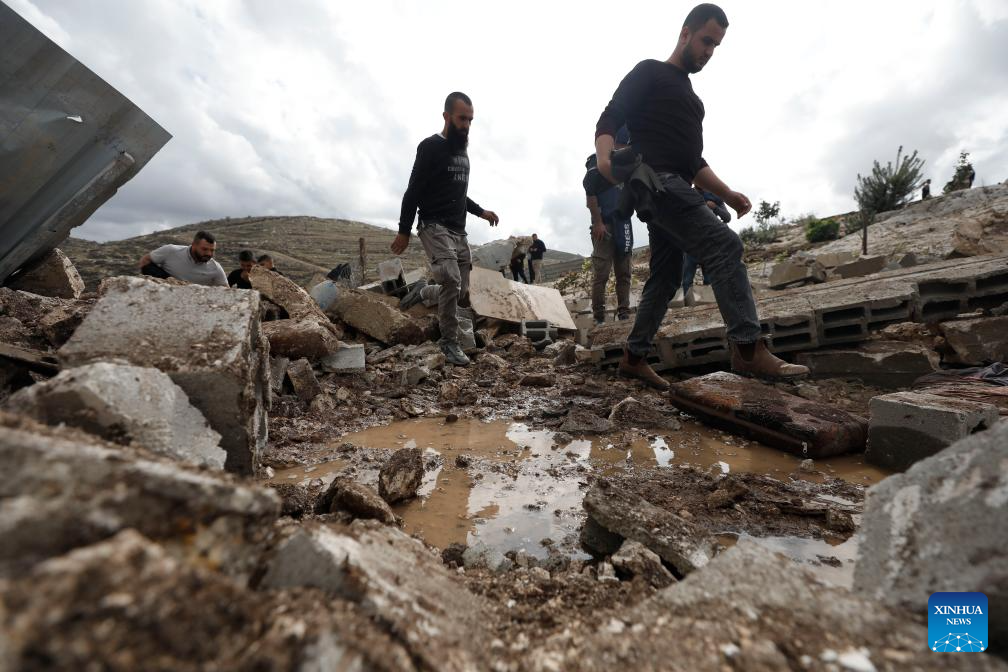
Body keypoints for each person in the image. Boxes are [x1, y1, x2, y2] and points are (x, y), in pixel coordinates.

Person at [594, 3, 808, 389]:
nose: (709, 51)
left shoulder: (693, 101)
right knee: (724, 246)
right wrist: (607, 161)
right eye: (706, 40)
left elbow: (693, 163)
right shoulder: (650, 72)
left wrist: (728, 193)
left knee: (665, 275)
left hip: (677, 181)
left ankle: (633, 357)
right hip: (655, 182)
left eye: (716, 45)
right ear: (686, 33)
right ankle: (747, 350)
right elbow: (610, 117)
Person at [391, 91, 499, 366]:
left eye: (470, 120)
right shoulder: (430, 147)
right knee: (451, 280)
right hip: (433, 225)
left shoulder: (462, 151)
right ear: (446, 116)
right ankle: (448, 342)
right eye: (462, 118)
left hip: (458, 229)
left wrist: (481, 211)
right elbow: (412, 191)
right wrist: (404, 230)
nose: (466, 125)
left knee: (461, 290)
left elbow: (459, 193)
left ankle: (425, 291)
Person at [583, 125, 633, 324]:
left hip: (624, 225)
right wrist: (598, 222)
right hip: (605, 226)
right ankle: (599, 317)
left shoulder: (626, 165)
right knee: (601, 274)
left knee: (624, 273)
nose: (623, 149)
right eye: (621, 145)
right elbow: (591, 197)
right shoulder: (597, 165)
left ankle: (624, 313)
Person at [682, 188, 731, 303]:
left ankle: (708, 303)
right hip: (691, 245)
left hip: (709, 245)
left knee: (709, 279)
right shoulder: (687, 193)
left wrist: (714, 207)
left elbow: (727, 217)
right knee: (687, 280)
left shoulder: (714, 196)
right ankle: (686, 305)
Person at [138, 230, 228, 287]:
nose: (209, 253)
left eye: (212, 250)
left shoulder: (216, 268)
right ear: (194, 245)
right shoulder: (171, 250)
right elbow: (145, 261)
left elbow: (227, 292)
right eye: (204, 249)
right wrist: (168, 280)